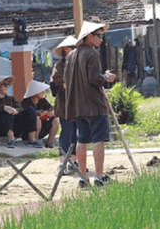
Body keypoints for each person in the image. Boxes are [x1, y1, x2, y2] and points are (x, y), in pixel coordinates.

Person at [64, 21, 116, 187]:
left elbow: (67, 81)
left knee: (82, 140)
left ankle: (83, 178)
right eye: (98, 36)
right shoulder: (91, 54)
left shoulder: (71, 55)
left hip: (78, 106)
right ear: (89, 37)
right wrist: (106, 78)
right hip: (94, 104)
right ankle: (99, 177)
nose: (101, 39)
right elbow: (94, 79)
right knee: (98, 140)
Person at [51, 35, 78, 174]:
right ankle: (62, 163)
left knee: (75, 134)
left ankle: (73, 162)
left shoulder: (78, 64)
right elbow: (57, 80)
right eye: (71, 48)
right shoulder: (59, 65)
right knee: (66, 133)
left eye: (75, 48)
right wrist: (67, 84)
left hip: (77, 104)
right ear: (65, 50)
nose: (73, 50)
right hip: (64, 104)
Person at [16, 80, 58, 148]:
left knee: (56, 119)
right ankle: (36, 140)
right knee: (37, 118)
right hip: (28, 131)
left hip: (42, 127)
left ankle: (49, 142)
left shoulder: (43, 101)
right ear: (36, 93)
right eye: (42, 91)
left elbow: (53, 110)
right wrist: (40, 114)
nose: (43, 93)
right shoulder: (24, 103)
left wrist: (48, 113)